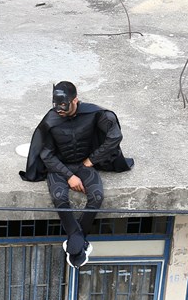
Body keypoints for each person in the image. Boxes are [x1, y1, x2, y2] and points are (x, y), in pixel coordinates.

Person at [19, 81, 132, 269]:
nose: (59, 110)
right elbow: (45, 154)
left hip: (83, 163)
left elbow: (115, 136)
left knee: (97, 196)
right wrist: (69, 176)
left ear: (75, 100)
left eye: (64, 105)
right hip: (58, 166)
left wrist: (92, 160)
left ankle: (74, 241)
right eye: (56, 105)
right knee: (59, 197)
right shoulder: (50, 120)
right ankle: (79, 244)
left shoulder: (94, 114)